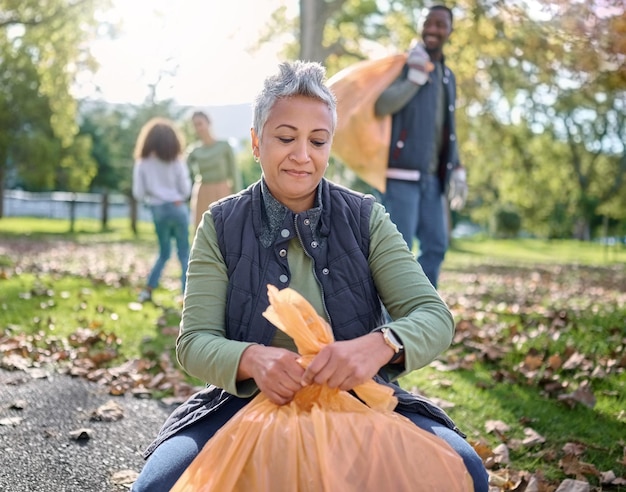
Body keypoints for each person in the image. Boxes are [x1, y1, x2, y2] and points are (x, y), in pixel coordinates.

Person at [131, 61, 488, 492]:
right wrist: (251, 359)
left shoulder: (365, 217)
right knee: (158, 486)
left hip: (356, 397)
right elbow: (194, 342)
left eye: (318, 141)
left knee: (463, 471)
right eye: (285, 138)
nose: (303, 155)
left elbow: (433, 315)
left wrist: (381, 345)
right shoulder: (220, 223)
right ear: (257, 142)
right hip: (245, 401)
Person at [375, 5, 468, 289]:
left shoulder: (447, 76)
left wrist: (457, 166)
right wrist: (413, 80)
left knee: (437, 246)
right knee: (398, 253)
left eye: (440, 25)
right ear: (420, 25)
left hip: (433, 180)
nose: (433, 30)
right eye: (429, 23)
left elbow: (446, 128)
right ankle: (391, 322)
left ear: (450, 31)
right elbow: (381, 105)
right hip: (401, 175)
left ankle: (423, 316)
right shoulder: (403, 65)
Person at [132, 117, 192, 303]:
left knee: (164, 253)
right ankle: (186, 296)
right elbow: (185, 190)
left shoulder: (143, 163)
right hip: (177, 207)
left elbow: (138, 193)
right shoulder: (176, 161)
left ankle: (148, 290)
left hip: (158, 210)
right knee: (184, 253)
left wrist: (154, 196)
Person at [187, 111, 242, 228]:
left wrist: (239, 199)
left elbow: (234, 173)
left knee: (225, 228)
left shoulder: (224, 146)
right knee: (202, 228)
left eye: (200, 123)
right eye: (194, 125)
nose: (198, 128)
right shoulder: (194, 151)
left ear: (208, 123)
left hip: (222, 191)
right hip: (202, 192)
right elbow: (184, 173)